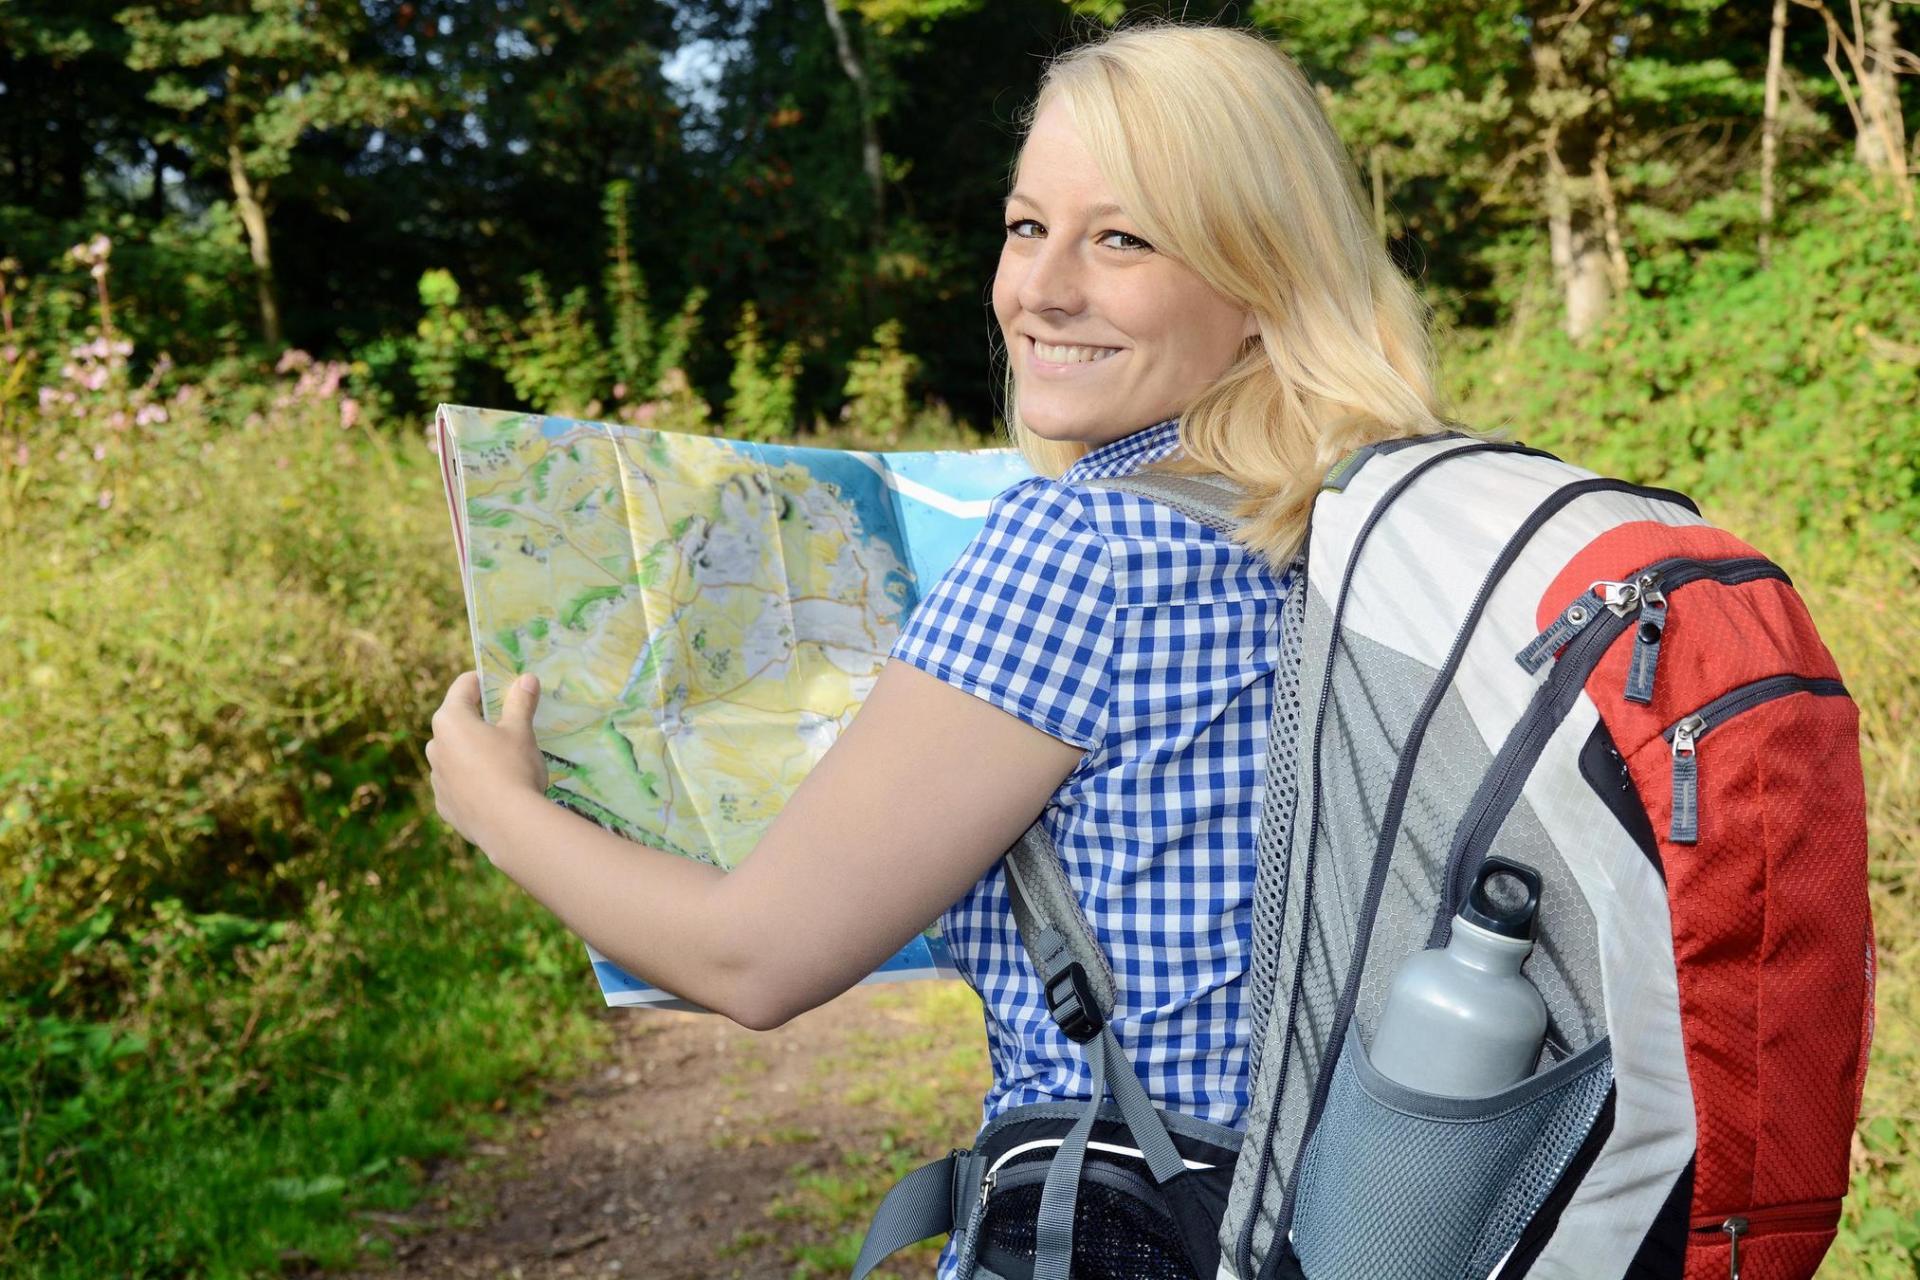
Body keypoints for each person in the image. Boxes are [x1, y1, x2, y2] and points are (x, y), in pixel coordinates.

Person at [425, 20, 1448, 1276]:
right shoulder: (1357, 512)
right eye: (1028, 226)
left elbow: (753, 959)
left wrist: (497, 807)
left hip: (1134, 1219)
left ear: (1260, 283)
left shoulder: (1082, 547)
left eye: (1121, 238)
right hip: (1339, 1212)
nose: (1042, 288)